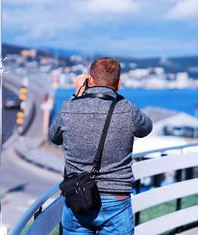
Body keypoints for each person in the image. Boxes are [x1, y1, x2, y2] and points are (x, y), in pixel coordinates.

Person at [49, 57, 153, 234]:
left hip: (78, 197)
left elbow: (54, 137)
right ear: (118, 84)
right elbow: (146, 127)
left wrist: (77, 95)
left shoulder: (69, 108)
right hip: (117, 198)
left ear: (89, 80)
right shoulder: (128, 110)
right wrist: (115, 96)